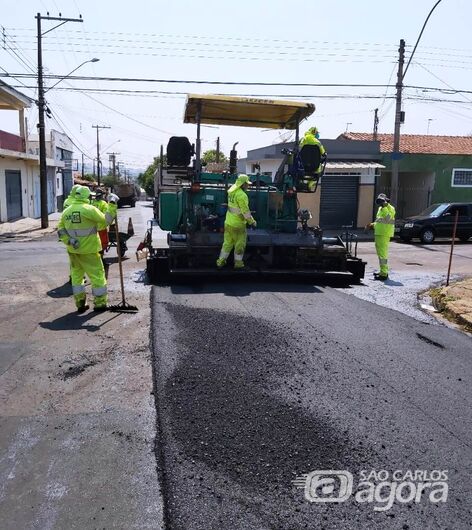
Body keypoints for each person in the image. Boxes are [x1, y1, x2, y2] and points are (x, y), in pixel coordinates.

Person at [57, 185, 118, 313]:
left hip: (73, 251)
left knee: (77, 277)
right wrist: (112, 203)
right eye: (90, 196)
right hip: (90, 250)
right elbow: (107, 221)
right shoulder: (89, 209)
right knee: (97, 275)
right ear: (86, 197)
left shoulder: (66, 212)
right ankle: (100, 303)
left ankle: (80, 303)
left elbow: (61, 231)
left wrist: (69, 241)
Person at [216, 174, 257, 270]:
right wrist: (252, 222)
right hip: (238, 225)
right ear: (243, 184)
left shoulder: (232, 192)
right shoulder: (242, 195)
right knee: (240, 244)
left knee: (227, 244)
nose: (248, 186)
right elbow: (245, 212)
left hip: (228, 223)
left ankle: (220, 262)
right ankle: (238, 264)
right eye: (247, 184)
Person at [366, 193, 396, 281]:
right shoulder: (380, 208)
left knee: (383, 254)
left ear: (386, 200)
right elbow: (379, 221)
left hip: (384, 234)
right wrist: (371, 225)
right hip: (379, 233)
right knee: (380, 254)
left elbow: (388, 219)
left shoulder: (391, 208)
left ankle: (384, 273)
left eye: (382, 201)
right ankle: (382, 271)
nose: (380, 203)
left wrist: (385, 206)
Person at [299, 127, 327, 191]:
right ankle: (309, 185)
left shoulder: (303, 139)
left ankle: (301, 183)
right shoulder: (317, 142)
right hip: (315, 167)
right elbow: (323, 153)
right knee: (317, 174)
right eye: (317, 133)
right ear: (314, 132)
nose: (318, 135)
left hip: (303, 166)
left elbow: (298, 150)